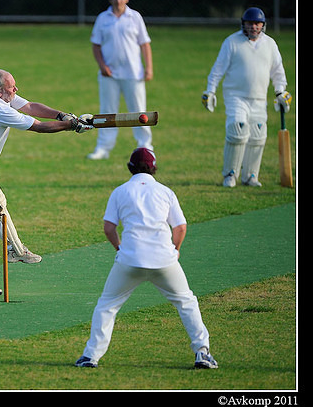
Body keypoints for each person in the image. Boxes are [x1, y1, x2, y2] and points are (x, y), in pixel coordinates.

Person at [0, 69, 93, 296]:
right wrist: (72, 126)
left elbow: (31, 106)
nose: (16, 90)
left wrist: (62, 115)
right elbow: (38, 126)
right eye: (11, 87)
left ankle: (14, 249)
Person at [75, 148, 218, 369]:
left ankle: (90, 356)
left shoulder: (120, 191)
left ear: (130, 168)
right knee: (186, 302)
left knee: (107, 306)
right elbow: (180, 227)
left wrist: (119, 248)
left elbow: (108, 228)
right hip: (165, 260)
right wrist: (175, 249)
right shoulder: (166, 192)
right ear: (154, 168)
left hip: (129, 260)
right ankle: (202, 352)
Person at [202, 7, 292, 187]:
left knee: (258, 135)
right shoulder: (232, 42)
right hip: (236, 96)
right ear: (243, 24)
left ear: (263, 25)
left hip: (259, 98)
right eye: (250, 23)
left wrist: (280, 91)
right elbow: (218, 69)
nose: (253, 27)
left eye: (257, 23)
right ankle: (230, 174)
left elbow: (278, 72)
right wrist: (210, 90)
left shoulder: (270, 44)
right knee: (238, 129)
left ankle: (251, 176)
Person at [87, 0, 154, 160]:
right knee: (107, 112)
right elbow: (96, 45)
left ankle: (145, 146)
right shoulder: (103, 18)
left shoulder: (135, 17)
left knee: (139, 111)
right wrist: (102, 66)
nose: (118, 1)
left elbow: (144, 44)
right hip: (109, 74)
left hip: (133, 73)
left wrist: (149, 68)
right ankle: (103, 148)